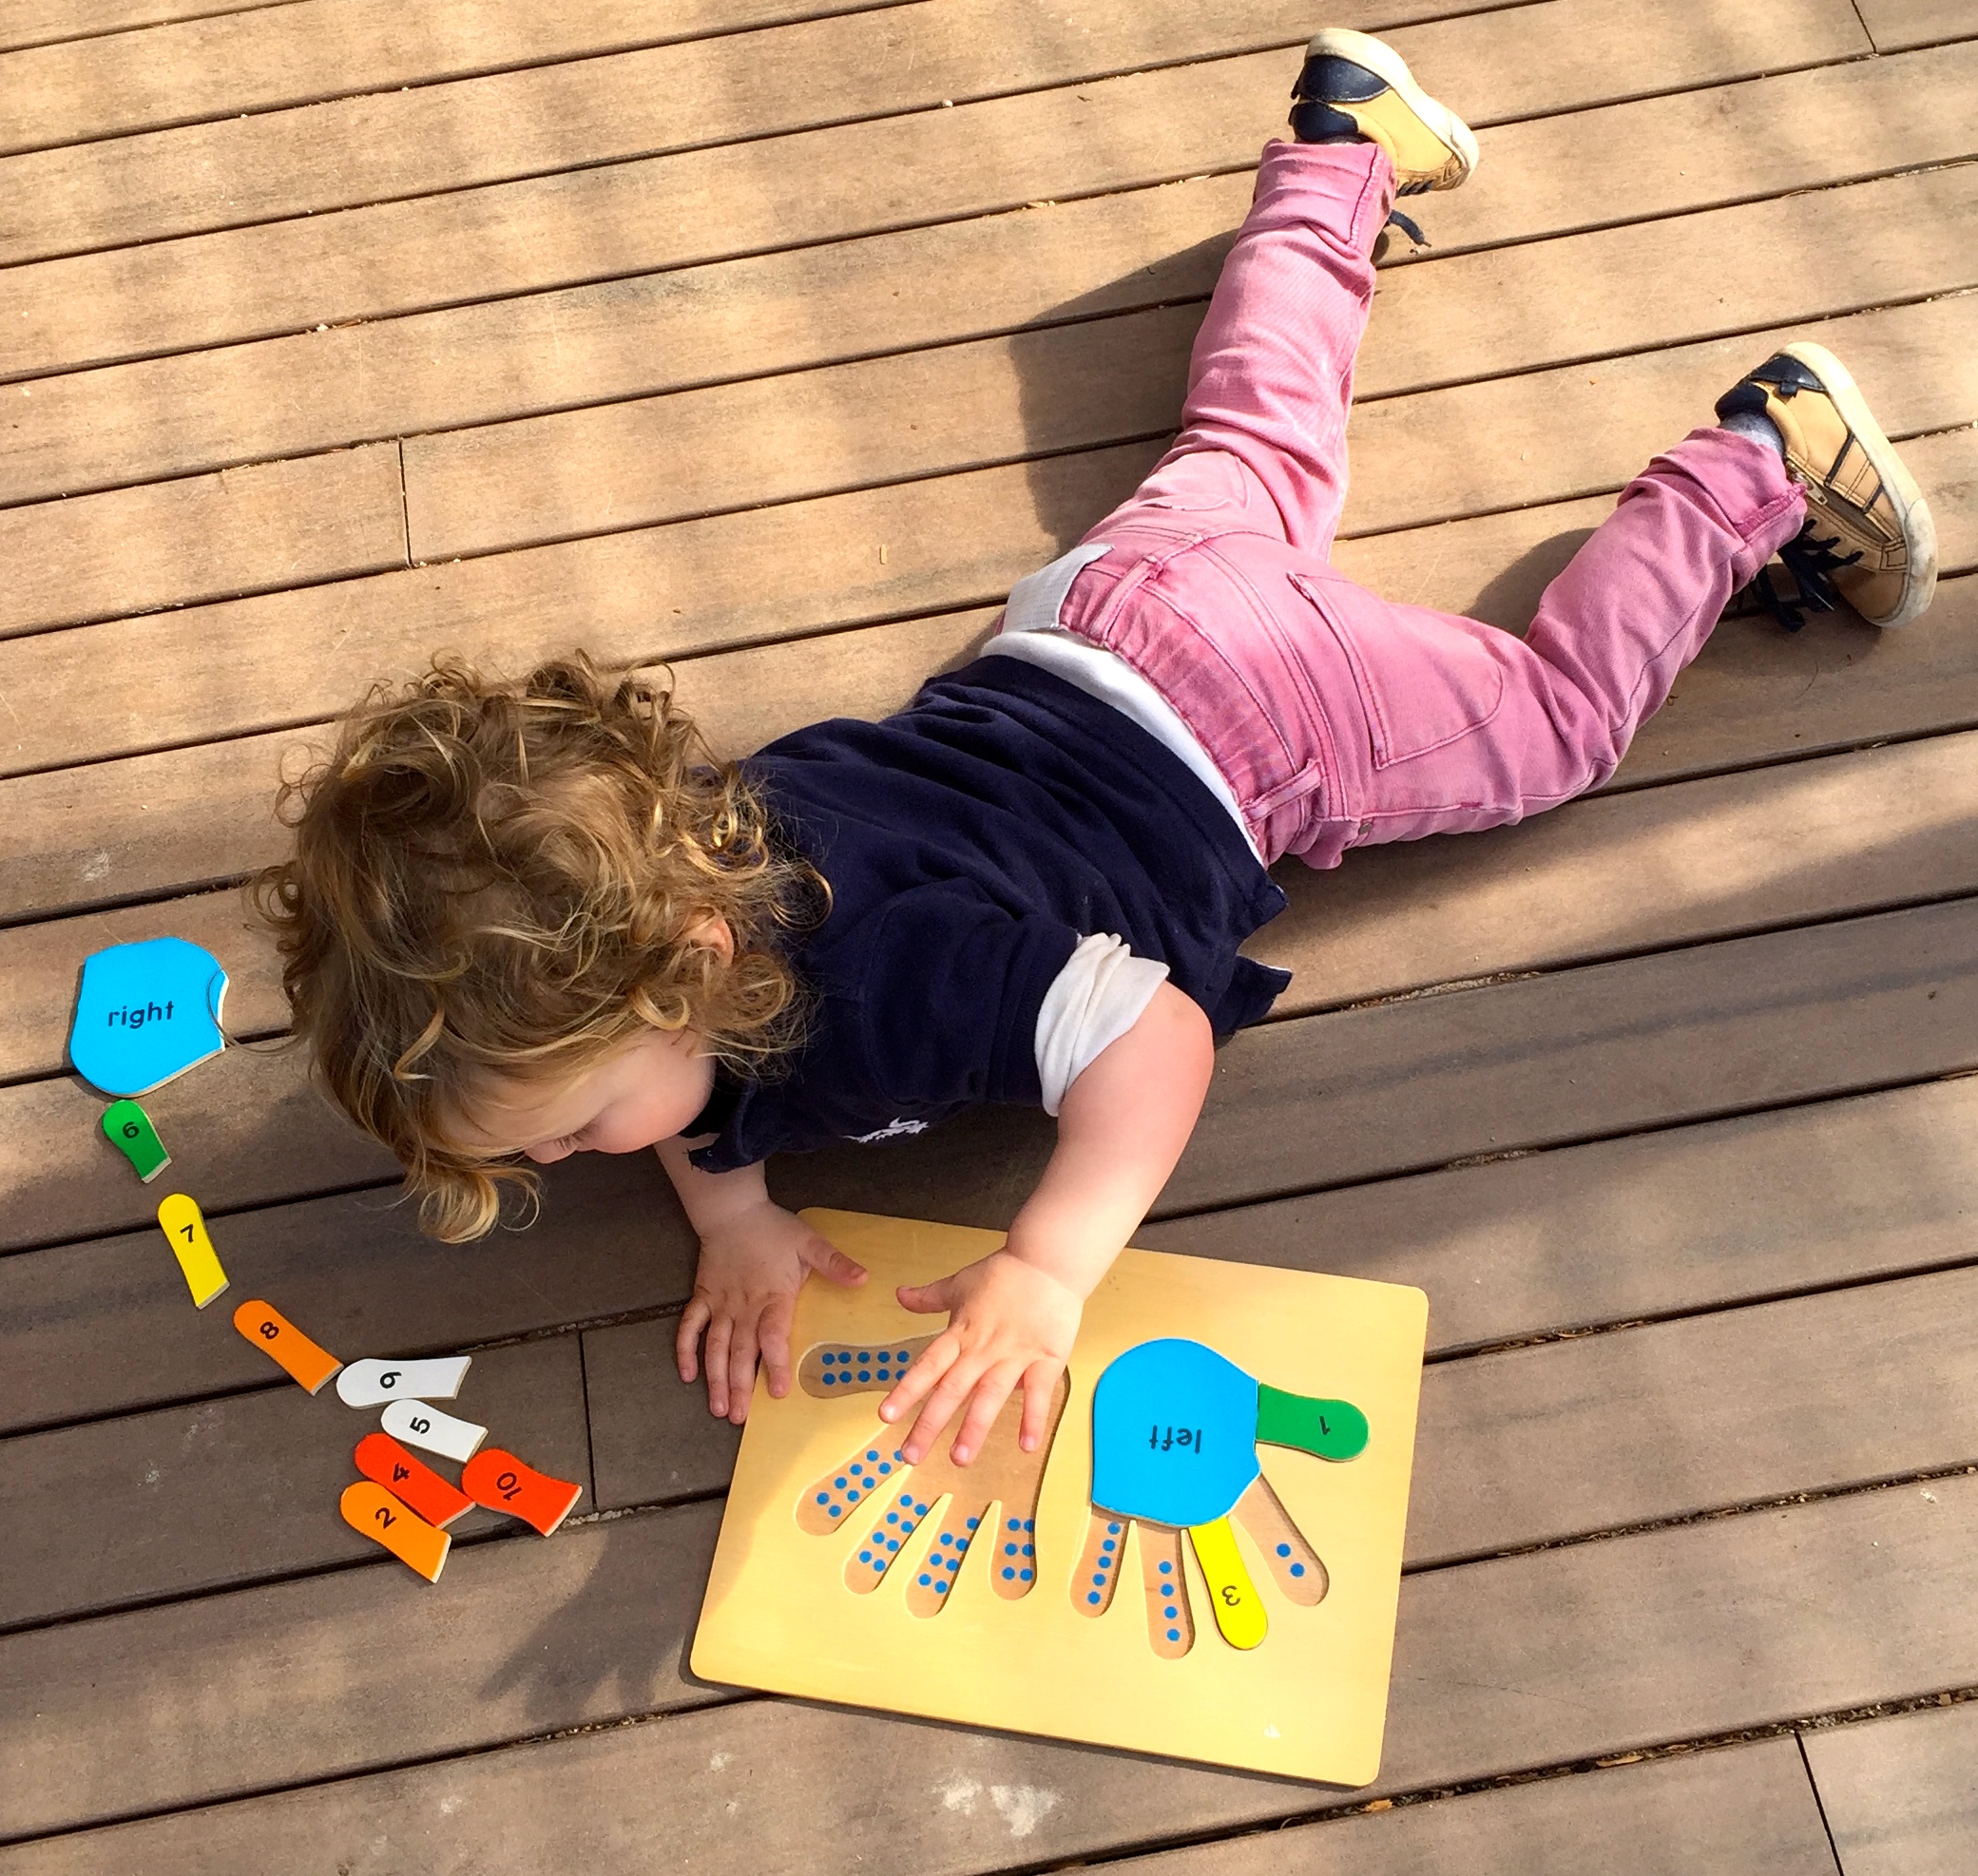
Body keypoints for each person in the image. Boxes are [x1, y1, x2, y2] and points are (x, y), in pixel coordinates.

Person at [259, 29, 1938, 1472]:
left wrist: (1049, 1268)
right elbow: (689, 1092)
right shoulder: (654, 854)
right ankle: (1339, 147)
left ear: (691, 967)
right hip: (1090, 617)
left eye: (564, 1130)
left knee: (1556, 728)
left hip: (1263, 721)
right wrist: (741, 1215)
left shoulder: (897, 979)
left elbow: (1153, 1045)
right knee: (1255, 442)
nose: (567, 1167)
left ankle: (1759, 462)